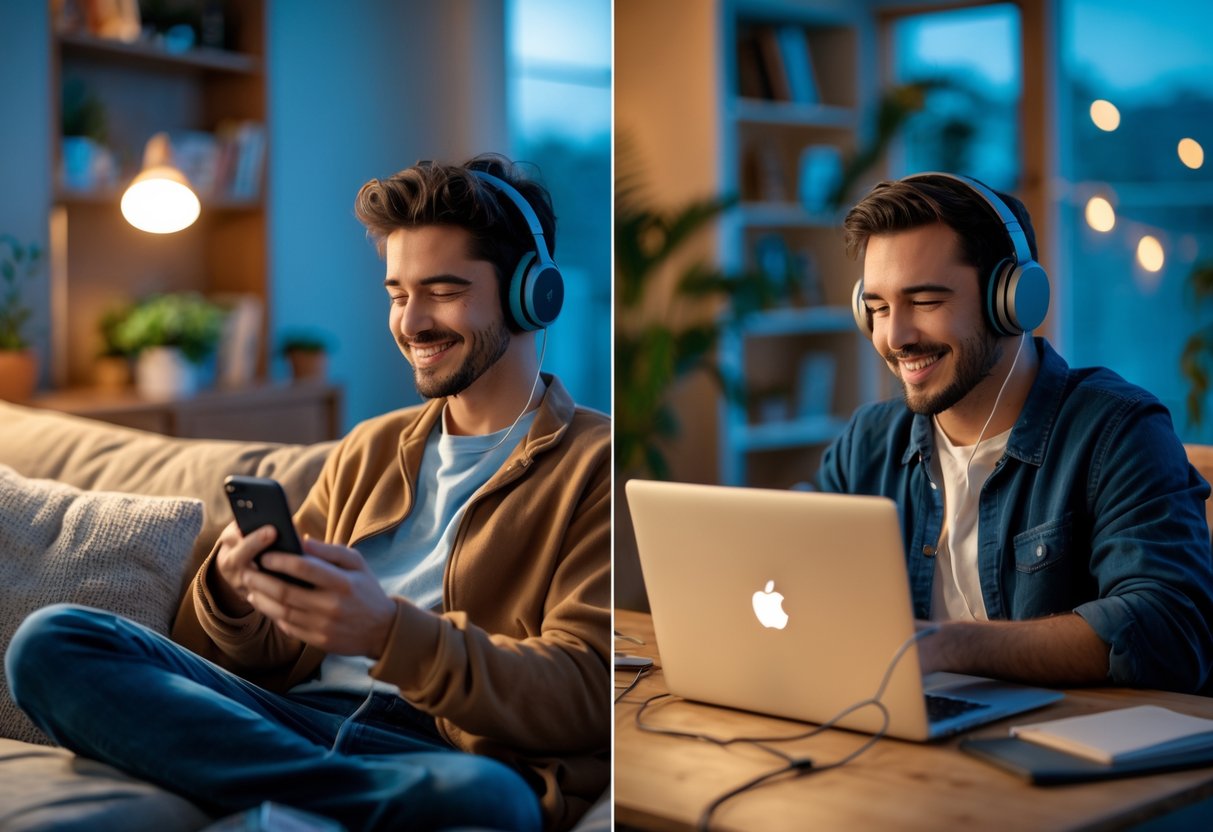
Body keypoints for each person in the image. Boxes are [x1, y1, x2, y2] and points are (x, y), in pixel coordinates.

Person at [6, 155, 610, 832]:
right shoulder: (370, 449)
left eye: (442, 291)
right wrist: (235, 589)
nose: (411, 323)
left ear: (533, 294)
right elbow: (235, 655)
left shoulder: (595, 464)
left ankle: (281, 806)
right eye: (397, 294)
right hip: (293, 722)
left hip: (438, 750)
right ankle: (335, 803)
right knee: (53, 641)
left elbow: (586, 691)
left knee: (492, 797)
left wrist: (386, 632)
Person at [816, 171, 1213, 693]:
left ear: (1012, 300)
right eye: (878, 308)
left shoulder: (1119, 433)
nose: (895, 336)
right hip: (904, 728)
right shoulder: (866, 443)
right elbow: (801, 580)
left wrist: (947, 646)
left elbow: (1172, 629)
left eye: (926, 302)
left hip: (1073, 736)